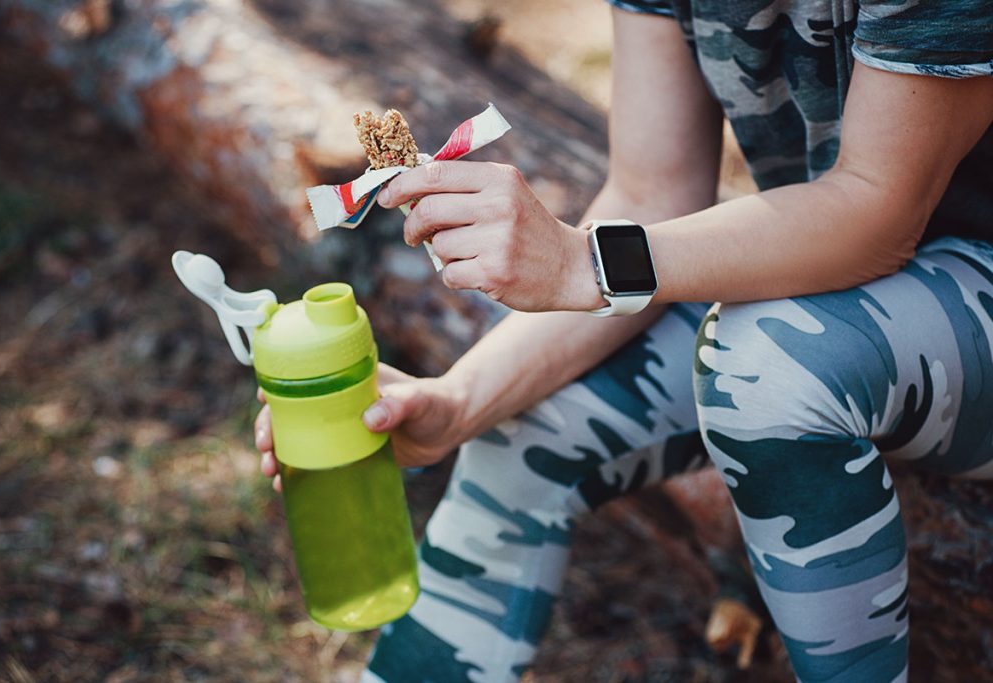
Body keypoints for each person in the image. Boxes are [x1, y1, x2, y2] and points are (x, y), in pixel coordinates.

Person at [254, 1, 993, 680]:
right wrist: (456, 401)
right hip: (840, 293)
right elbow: (651, 192)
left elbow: (878, 209)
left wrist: (585, 261)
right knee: (530, 417)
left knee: (764, 365)